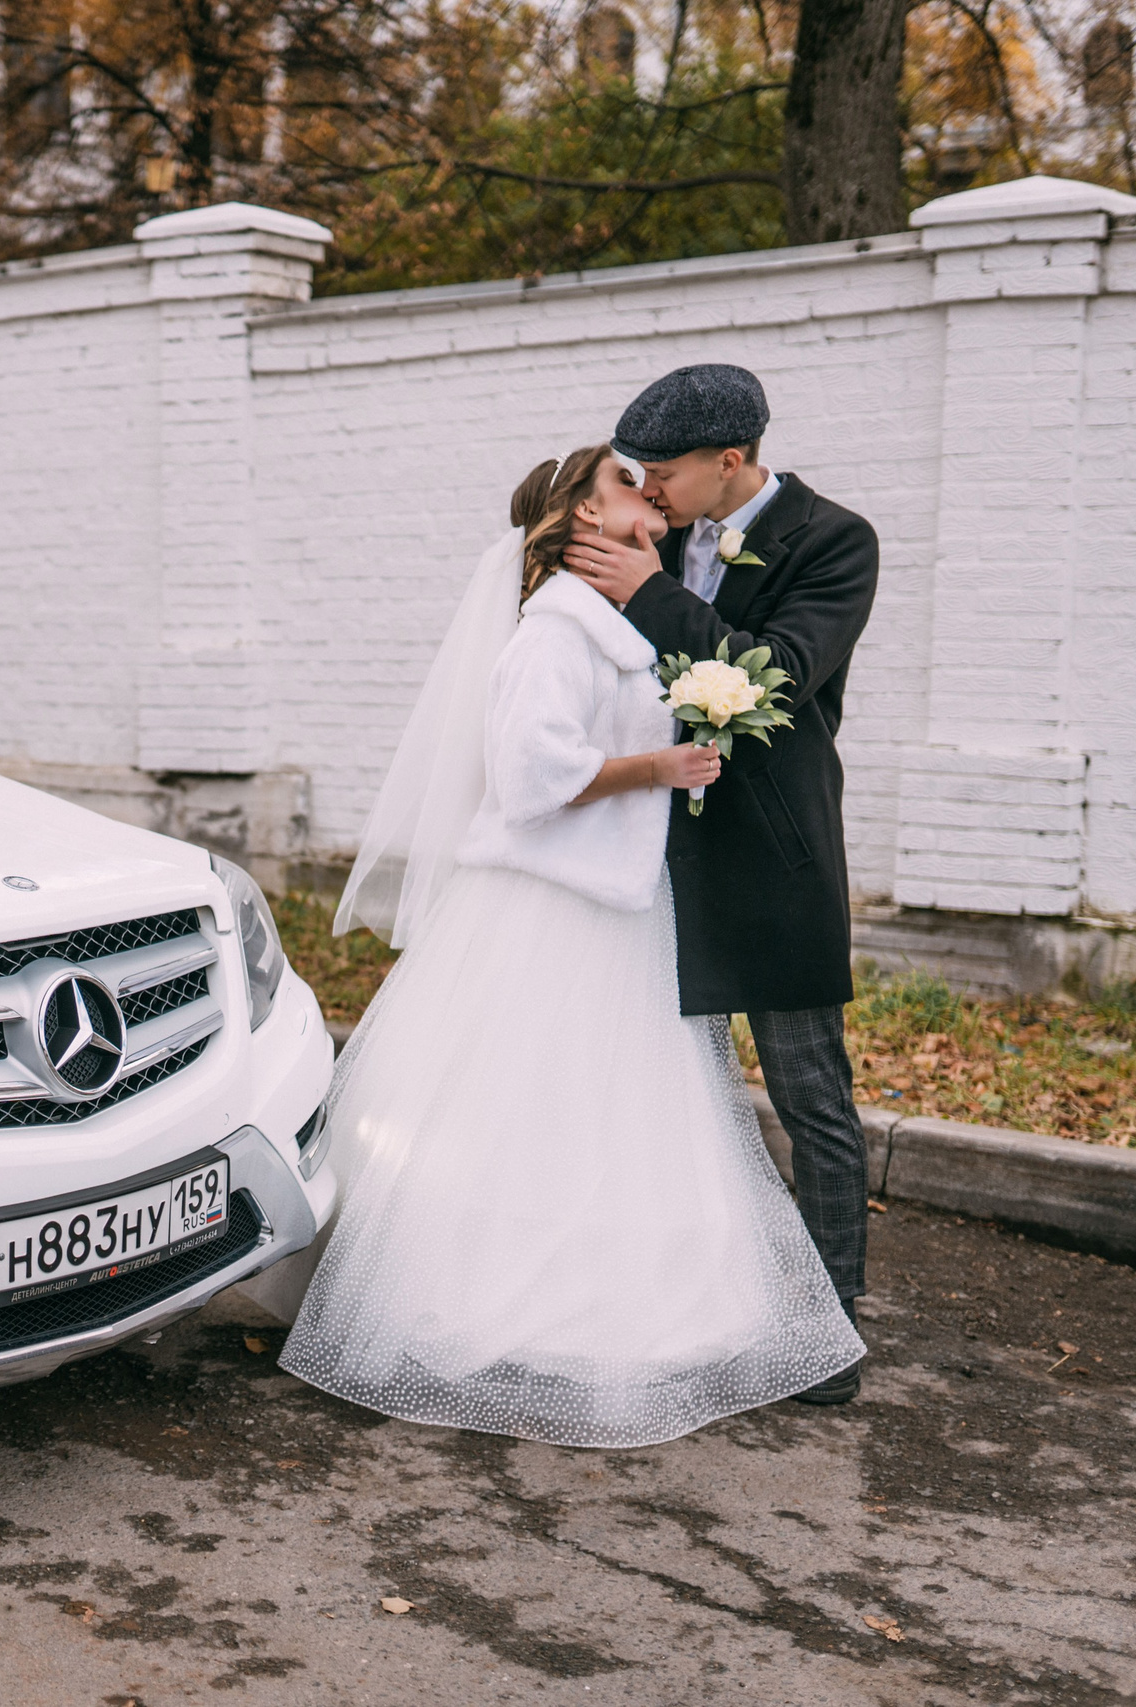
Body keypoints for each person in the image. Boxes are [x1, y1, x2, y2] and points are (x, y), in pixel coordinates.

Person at [276, 445, 863, 1449]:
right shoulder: (555, 625)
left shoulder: (631, 606)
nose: (651, 497)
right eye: (625, 487)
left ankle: (646, 1299)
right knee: (535, 1107)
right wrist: (655, 765)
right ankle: (516, 1306)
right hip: (556, 907)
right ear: (582, 522)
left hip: (624, 907)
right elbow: (528, 772)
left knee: (616, 1118)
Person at [562, 364, 879, 1406]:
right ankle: (686, 1301)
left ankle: (829, 1330)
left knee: (807, 1094)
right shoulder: (651, 539)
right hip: (651, 857)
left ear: (729, 461)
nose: (648, 490)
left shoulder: (834, 541)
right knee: (669, 1098)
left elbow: (775, 676)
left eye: (662, 472)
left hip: (773, 856)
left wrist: (644, 596)